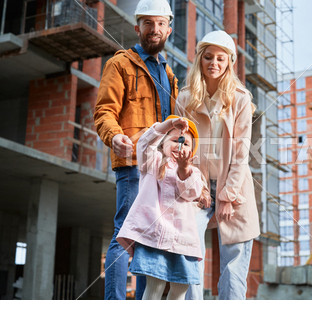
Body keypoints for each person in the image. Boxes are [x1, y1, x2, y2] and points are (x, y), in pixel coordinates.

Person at [93, 0, 178, 300]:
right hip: (132, 163)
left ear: (169, 29)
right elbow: (104, 111)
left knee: (150, 241)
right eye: (148, 23)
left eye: (160, 24)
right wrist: (114, 136)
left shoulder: (169, 75)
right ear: (137, 26)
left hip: (161, 170)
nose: (154, 30)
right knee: (125, 235)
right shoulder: (120, 64)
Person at [175, 30, 260, 300]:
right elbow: (181, 147)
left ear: (229, 62)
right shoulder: (185, 99)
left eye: (221, 59)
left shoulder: (241, 99)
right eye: (208, 57)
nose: (214, 63)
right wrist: (195, 184)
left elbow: (240, 150)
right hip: (195, 186)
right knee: (189, 252)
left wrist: (227, 195)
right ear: (200, 59)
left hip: (234, 186)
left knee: (234, 264)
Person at [116, 115, 204, 300]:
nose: (180, 145)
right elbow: (144, 143)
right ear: (163, 144)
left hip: (183, 242)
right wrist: (168, 124)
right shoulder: (152, 162)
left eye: (186, 143)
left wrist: (184, 168)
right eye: (175, 139)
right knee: (155, 286)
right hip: (154, 239)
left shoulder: (194, 172)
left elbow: (192, 192)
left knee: (180, 289)